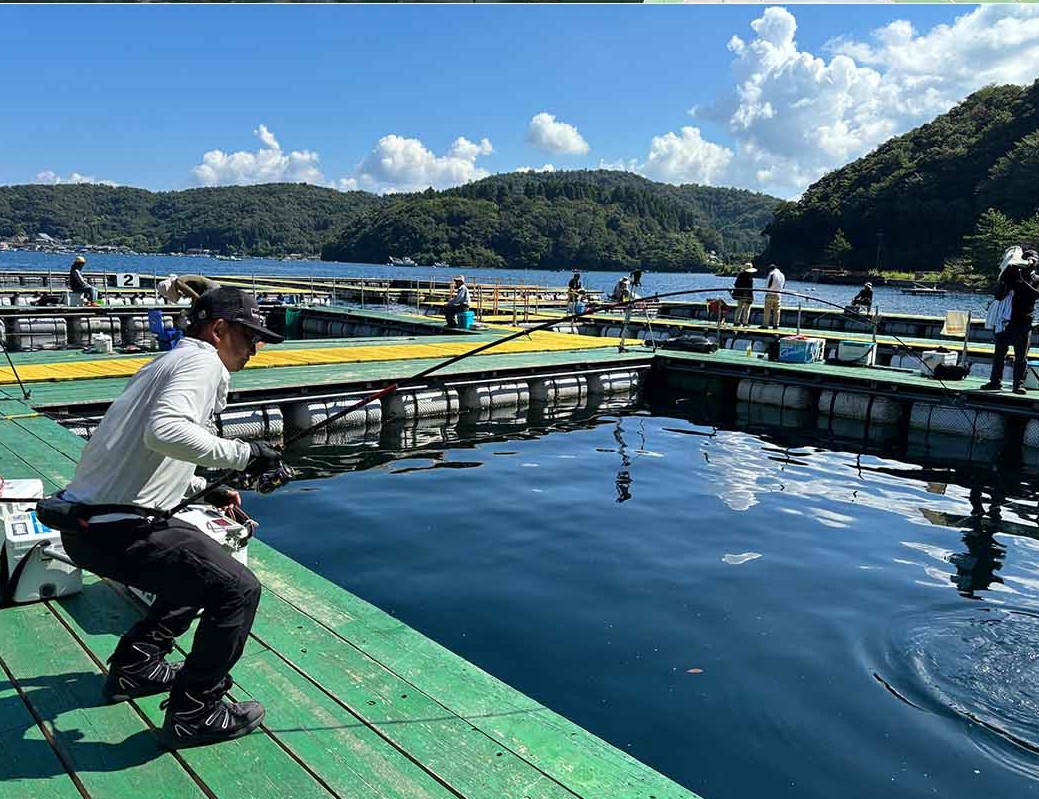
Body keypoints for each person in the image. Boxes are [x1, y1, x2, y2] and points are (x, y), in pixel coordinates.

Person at [52, 287, 285, 749]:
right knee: (238, 590)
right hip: (118, 528)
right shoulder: (202, 363)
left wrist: (203, 488)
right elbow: (167, 431)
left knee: (204, 565)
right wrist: (245, 454)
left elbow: (143, 454)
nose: (255, 348)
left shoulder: (166, 363)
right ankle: (195, 710)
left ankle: (138, 665)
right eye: (249, 337)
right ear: (219, 330)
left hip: (90, 524)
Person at [981, 249, 1039, 394]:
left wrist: (1020, 281)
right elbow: (999, 292)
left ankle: (1018, 385)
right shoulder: (1011, 276)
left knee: (1021, 356)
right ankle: (995, 382)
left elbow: (1034, 294)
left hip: (1023, 321)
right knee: (999, 353)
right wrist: (1013, 268)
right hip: (1005, 321)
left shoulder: (1036, 279)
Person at [761, 264, 785, 329]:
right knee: (777, 311)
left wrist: (767, 290)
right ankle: (776, 324)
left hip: (770, 294)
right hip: (778, 294)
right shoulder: (782, 275)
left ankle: (765, 325)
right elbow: (783, 286)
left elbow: (768, 285)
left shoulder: (771, 274)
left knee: (767, 310)